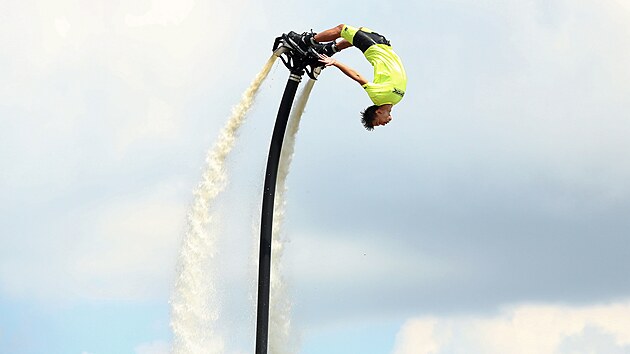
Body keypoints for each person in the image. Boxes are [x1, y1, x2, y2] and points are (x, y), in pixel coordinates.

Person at [286, 24, 407, 130]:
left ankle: (328, 49)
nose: (383, 124)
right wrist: (335, 62)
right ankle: (306, 40)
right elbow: (359, 76)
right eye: (378, 123)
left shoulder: (378, 98)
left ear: (378, 112)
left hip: (375, 47)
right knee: (342, 29)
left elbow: (358, 77)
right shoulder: (396, 100)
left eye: (378, 123)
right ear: (379, 112)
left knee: (346, 31)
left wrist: (336, 63)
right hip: (382, 45)